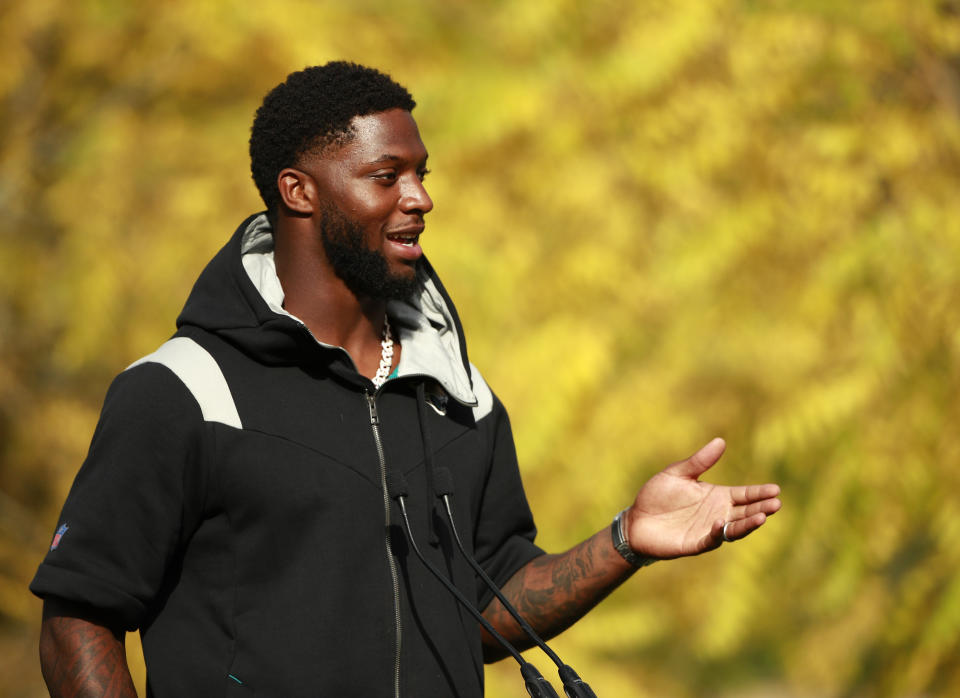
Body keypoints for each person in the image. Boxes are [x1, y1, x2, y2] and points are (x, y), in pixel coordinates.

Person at [31, 61, 782, 697]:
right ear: (300, 192)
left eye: (421, 174)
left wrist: (626, 541)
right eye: (386, 176)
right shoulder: (184, 391)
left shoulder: (459, 395)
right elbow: (77, 616)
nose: (419, 198)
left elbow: (486, 609)